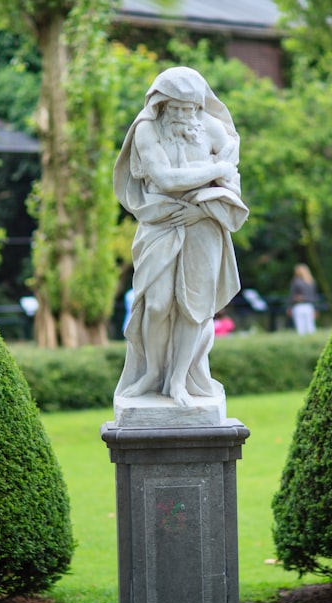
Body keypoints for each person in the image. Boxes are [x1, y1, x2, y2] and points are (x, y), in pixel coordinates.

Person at [113, 67, 249, 406]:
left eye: (192, 108)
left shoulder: (214, 129)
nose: (186, 115)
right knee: (157, 303)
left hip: (203, 226)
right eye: (178, 107)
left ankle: (178, 382)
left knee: (194, 307)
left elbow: (233, 187)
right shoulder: (147, 130)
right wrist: (217, 169)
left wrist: (202, 210)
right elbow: (165, 178)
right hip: (161, 222)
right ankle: (153, 373)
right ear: (162, 104)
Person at [289, 263, 318, 335]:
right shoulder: (311, 282)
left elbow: (292, 295)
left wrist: (289, 306)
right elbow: (314, 296)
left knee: (301, 329)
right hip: (309, 306)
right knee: (311, 327)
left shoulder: (295, 281)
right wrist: (316, 308)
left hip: (299, 306)